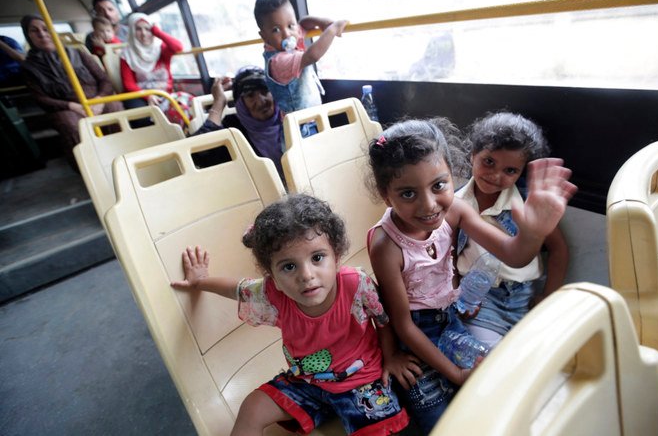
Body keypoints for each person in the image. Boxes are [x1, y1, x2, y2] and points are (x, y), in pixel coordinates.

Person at [366, 118, 576, 432]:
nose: (429, 205)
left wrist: (533, 233)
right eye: (408, 194)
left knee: (494, 393)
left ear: (452, 175)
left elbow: (515, 254)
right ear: (386, 195)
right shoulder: (386, 245)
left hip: (451, 320)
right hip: (416, 340)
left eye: (438, 185)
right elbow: (403, 324)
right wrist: (454, 373)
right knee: (441, 424)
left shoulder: (457, 211)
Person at [171, 194, 412, 436]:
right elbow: (238, 288)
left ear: (336, 257)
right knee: (252, 407)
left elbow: (383, 321)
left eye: (317, 258)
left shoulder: (356, 284)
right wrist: (201, 281)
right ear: (272, 276)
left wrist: (391, 357)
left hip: (362, 383)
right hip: (306, 382)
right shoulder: (274, 295)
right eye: (289, 266)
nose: (306, 275)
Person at [456, 112, 569, 347]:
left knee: (537, 356)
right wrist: (460, 297)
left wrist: (547, 297)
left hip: (523, 297)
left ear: (520, 173)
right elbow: (447, 258)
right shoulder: (456, 203)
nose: (496, 175)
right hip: (480, 299)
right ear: (473, 155)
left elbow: (559, 251)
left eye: (510, 171)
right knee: (487, 359)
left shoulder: (528, 206)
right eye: (489, 161)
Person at [20, 15, 122, 168]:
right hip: (67, 107)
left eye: (45, 29)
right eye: (35, 31)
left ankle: (123, 153)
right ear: (28, 36)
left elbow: (104, 80)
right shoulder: (30, 67)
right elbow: (41, 99)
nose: (42, 34)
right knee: (71, 125)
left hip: (96, 99)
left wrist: (99, 100)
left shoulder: (78, 53)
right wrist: (73, 106)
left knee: (115, 107)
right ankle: (91, 167)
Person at [254, 0, 347, 135]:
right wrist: (332, 29)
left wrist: (320, 22)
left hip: (311, 121)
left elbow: (303, 22)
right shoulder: (279, 61)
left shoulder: (289, 41)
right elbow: (312, 56)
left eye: (290, 25)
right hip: (302, 130)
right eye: (276, 30)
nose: (287, 34)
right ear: (264, 36)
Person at [193, 66, 285, 181]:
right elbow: (197, 155)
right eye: (250, 96)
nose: (261, 101)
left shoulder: (288, 116)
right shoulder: (233, 129)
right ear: (240, 103)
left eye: (265, 91)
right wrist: (218, 103)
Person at [120, 12, 192, 128]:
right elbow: (128, 84)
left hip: (165, 94)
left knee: (189, 105)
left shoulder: (160, 49)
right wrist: (148, 96)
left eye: (147, 29)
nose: (143, 34)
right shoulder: (127, 54)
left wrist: (157, 32)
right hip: (141, 94)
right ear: (132, 32)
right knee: (143, 118)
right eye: (138, 29)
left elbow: (178, 47)